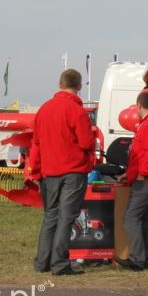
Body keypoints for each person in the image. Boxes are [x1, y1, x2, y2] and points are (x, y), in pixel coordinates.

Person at [26, 69, 95, 276]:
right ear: (79, 87)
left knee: (50, 216)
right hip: (72, 171)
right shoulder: (77, 111)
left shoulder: (44, 109)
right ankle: (60, 263)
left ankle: (42, 261)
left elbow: (36, 142)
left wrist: (35, 170)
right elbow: (86, 141)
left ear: (60, 84)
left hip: (50, 172)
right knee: (66, 217)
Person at [118, 91, 148, 271]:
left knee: (131, 217)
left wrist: (142, 173)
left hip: (146, 179)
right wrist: (129, 174)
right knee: (145, 219)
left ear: (139, 105)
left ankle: (137, 259)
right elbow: (144, 154)